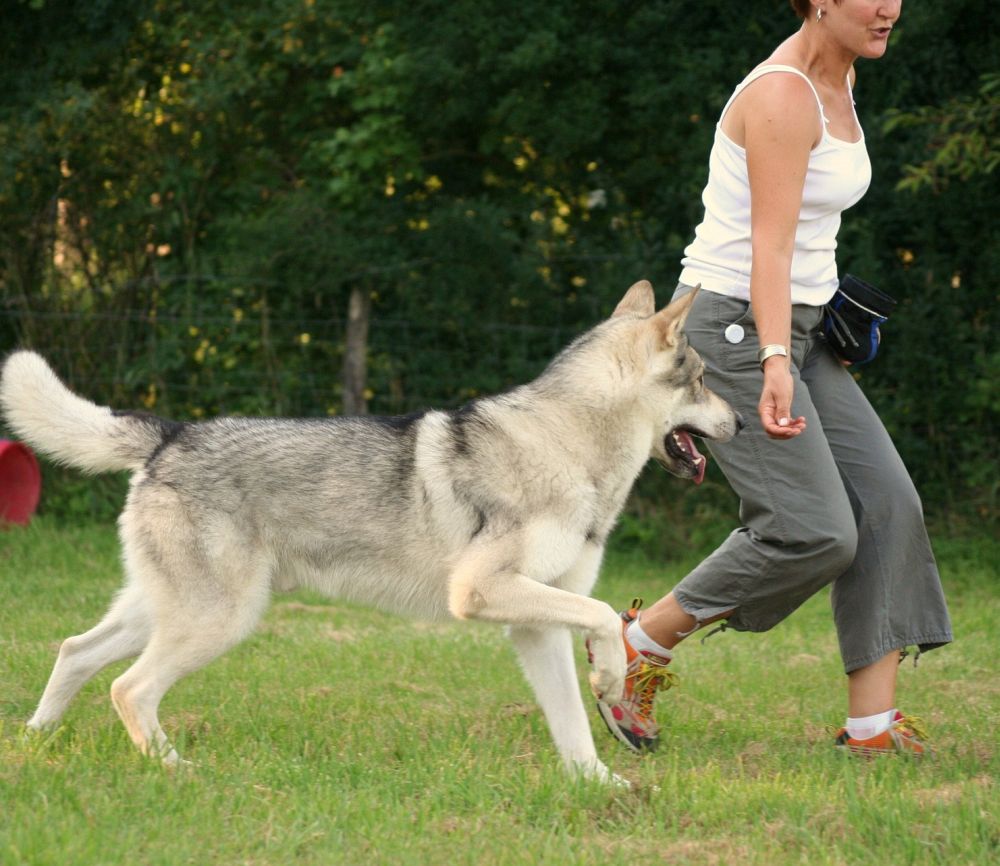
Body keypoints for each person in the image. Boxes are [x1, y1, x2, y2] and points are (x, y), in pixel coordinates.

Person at [595, 0, 952, 757]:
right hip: (733, 328)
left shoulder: (842, 78)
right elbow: (769, 246)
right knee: (814, 528)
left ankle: (872, 729)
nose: (890, 6)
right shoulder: (783, 93)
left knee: (887, 501)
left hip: (802, 323)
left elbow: (810, 231)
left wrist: (822, 321)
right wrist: (774, 358)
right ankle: (639, 643)